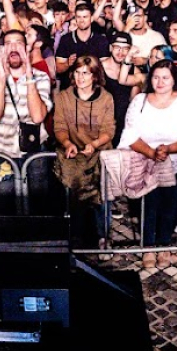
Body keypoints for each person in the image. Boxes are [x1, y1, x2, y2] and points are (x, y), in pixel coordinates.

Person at [118, 59, 177, 269]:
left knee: (170, 205)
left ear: (174, 79)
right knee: (148, 206)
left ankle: (164, 245)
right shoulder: (140, 100)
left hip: (175, 162)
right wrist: (151, 152)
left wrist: (169, 149)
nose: (160, 82)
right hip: (145, 161)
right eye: (156, 77)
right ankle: (148, 247)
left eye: (165, 77)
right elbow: (129, 134)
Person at [52, 54, 116, 244]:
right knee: (74, 200)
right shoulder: (63, 97)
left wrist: (94, 144)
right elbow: (59, 126)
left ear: (95, 76)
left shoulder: (106, 98)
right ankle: (76, 239)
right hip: (73, 155)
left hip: (98, 154)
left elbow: (108, 130)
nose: (80, 77)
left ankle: (103, 237)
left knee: (102, 198)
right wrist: (67, 143)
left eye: (86, 73)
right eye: (77, 72)